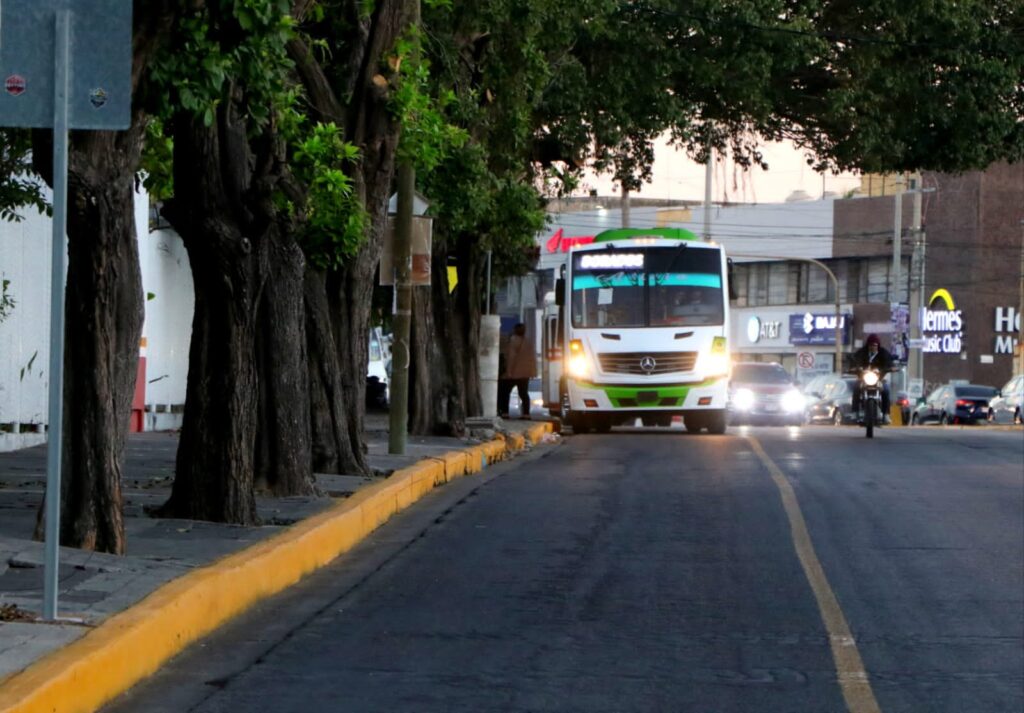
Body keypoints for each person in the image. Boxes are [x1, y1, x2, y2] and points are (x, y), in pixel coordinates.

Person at [850, 333, 894, 423]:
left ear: (878, 345)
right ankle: (855, 412)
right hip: (864, 378)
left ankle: (886, 414)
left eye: (875, 345)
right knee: (856, 387)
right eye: (870, 345)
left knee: (886, 390)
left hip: (879, 378)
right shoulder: (862, 353)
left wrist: (888, 368)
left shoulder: (883, 353)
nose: (872, 347)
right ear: (867, 345)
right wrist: (856, 368)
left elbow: (888, 363)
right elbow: (855, 361)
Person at [503, 322, 537, 419]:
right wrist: (533, 372)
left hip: (514, 373)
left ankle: (505, 412)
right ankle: (526, 414)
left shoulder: (513, 341)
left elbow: (511, 357)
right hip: (525, 373)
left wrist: (508, 372)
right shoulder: (528, 342)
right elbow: (532, 358)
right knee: (523, 393)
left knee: (505, 392)